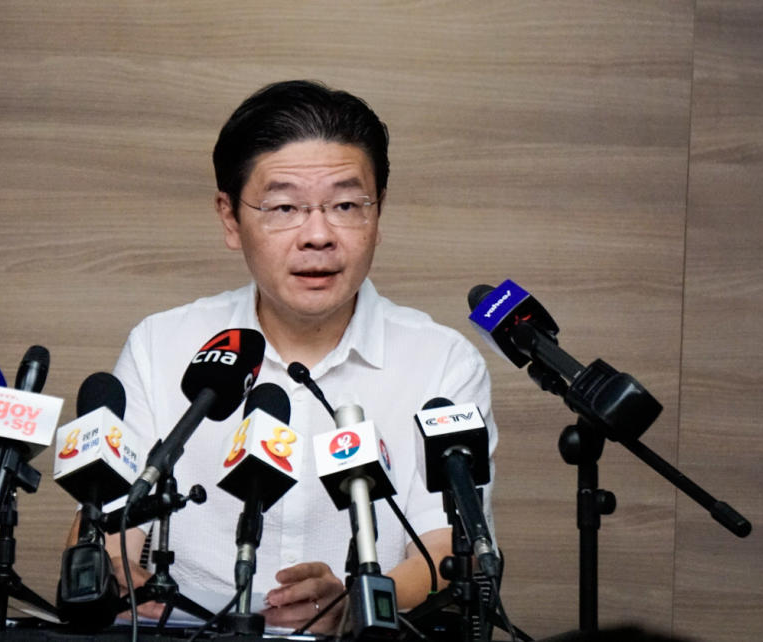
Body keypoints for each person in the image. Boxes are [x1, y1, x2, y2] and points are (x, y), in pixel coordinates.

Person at [69, 80, 498, 633]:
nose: (317, 235)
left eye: (346, 204)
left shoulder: (442, 361)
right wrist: (115, 572)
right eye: (284, 207)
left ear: (378, 213)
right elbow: (105, 521)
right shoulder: (163, 345)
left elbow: (450, 549)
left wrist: (360, 598)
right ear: (230, 218)